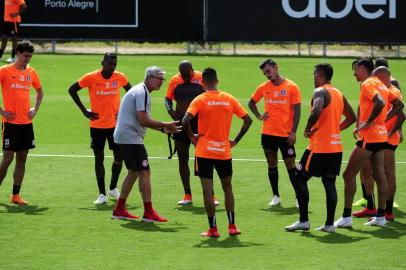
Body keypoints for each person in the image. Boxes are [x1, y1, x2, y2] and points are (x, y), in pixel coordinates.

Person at [284, 63, 356, 232]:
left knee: (299, 178)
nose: (313, 77)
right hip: (336, 148)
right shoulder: (338, 93)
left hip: (318, 148)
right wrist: (334, 129)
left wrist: (308, 128)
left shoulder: (320, 92)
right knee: (329, 182)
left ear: (321, 74)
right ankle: (330, 224)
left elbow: (315, 111)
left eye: (315, 74)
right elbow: (352, 117)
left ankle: (303, 221)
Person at [183, 67, 252, 237]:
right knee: (227, 187)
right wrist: (235, 140)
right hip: (223, 152)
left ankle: (213, 229)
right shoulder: (228, 98)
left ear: (203, 82)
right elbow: (248, 120)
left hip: (204, 152)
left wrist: (192, 137)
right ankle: (232, 226)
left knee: (207, 191)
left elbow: (185, 120)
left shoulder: (200, 99)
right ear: (217, 81)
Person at [334, 58, 403, 228]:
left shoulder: (368, 84)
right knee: (379, 176)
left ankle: (346, 217)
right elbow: (399, 105)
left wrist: (368, 122)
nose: (354, 72)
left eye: (356, 68)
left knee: (348, 174)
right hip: (381, 137)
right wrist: (382, 120)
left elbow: (379, 102)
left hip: (369, 137)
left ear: (364, 68)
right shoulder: (383, 85)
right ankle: (381, 216)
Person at [112, 66, 181, 222]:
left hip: (125, 137)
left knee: (134, 172)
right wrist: (166, 124)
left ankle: (119, 210)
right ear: (149, 78)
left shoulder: (140, 91)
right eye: (159, 78)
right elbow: (143, 120)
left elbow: (142, 121)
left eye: (163, 79)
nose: (161, 82)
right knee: (144, 172)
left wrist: (164, 129)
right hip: (130, 138)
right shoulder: (141, 92)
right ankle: (148, 212)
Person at [68, 53, 132, 205]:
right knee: (99, 157)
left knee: (119, 157)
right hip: (97, 126)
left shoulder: (120, 77)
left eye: (114, 64)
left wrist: (123, 110)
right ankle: (102, 194)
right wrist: (84, 111)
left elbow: (131, 93)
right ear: (103, 63)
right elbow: (72, 89)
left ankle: (112, 188)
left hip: (115, 126)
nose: (112, 67)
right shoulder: (91, 77)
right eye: (109, 63)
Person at [352, 67, 405, 220]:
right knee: (366, 170)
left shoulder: (391, 87)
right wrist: (359, 125)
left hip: (386, 137)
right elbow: (361, 107)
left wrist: (391, 129)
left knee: (386, 173)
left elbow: (401, 112)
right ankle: (371, 206)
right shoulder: (372, 85)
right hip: (372, 135)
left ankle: (387, 211)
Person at [165, 60, 219, 206]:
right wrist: (170, 111)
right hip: (181, 124)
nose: (184, 78)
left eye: (186, 75)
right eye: (182, 76)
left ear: (192, 71)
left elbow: (212, 95)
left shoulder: (201, 78)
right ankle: (187, 194)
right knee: (182, 159)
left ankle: (211, 195)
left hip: (200, 124)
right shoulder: (174, 80)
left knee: (204, 159)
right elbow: (167, 99)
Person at [248, 58, 301, 206]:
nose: (267, 75)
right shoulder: (263, 87)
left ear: (276, 67)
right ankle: (276, 196)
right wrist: (259, 116)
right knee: (272, 165)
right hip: (268, 133)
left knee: (291, 166)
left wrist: (293, 132)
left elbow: (297, 111)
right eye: (265, 73)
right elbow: (251, 102)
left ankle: (298, 196)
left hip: (285, 135)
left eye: (269, 71)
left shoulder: (292, 87)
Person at [0, 40, 43, 205]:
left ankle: (15, 195)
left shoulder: (31, 72)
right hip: (10, 123)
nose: (27, 59)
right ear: (17, 53)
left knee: (22, 158)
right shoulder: (5, 71)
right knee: (7, 158)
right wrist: (2, 111)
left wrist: (35, 109)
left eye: (30, 56)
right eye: (25, 56)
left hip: (26, 123)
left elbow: (40, 91)